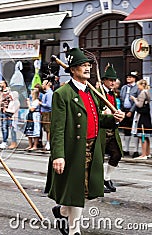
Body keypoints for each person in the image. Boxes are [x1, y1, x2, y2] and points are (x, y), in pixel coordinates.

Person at [45, 48, 124, 235]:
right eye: (82, 65)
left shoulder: (92, 92)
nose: (87, 68)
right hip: (73, 149)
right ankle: (75, 231)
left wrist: (113, 118)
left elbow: (96, 119)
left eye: (88, 65)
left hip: (93, 148)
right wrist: (58, 155)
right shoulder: (62, 94)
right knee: (77, 191)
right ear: (72, 69)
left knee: (87, 191)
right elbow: (57, 128)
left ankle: (62, 211)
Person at [98, 65, 123, 193]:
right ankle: (98, 181)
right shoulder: (97, 92)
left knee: (117, 154)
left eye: (114, 80)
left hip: (112, 128)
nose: (113, 82)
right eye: (110, 80)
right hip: (101, 129)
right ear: (104, 80)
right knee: (99, 157)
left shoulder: (112, 93)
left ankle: (106, 178)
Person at [119, 71, 140, 157]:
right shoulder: (124, 87)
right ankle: (126, 149)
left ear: (134, 78)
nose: (128, 78)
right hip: (124, 110)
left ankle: (135, 150)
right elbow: (121, 98)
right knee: (125, 130)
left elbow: (137, 100)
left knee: (134, 131)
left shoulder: (137, 87)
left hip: (133, 111)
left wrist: (131, 111)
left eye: (130, 77)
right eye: (127, 77)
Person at [130, 79, 151, 160]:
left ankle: (143, 154)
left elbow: (139, 105)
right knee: (146, 136)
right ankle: (147, 153)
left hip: (142, 116)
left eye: (138, 85)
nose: (138, 87)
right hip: (147, 116)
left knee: (142, 135)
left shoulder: (142, 93)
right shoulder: (147, 92)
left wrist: (134, 99)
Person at [0, 80, 12, 149]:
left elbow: (5, 98)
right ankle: (3, 140)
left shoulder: (7, 91)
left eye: (1, 83)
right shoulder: (1, 91)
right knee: (2, 127)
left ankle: (5, 141)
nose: (0, 84)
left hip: (6, 111)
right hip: (1, 110)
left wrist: (0, 96)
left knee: (5, 126)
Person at [40, 79, 53, 150]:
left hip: (47, 113)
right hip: (44, 113)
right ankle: (47, 142)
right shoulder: (46, 93)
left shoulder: (49, 94)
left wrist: (41, 103)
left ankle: (48, 143)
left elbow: (49, 105)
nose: (42, 85)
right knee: (46, 128)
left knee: (48, 129)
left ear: (47, 84)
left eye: (43, 84)